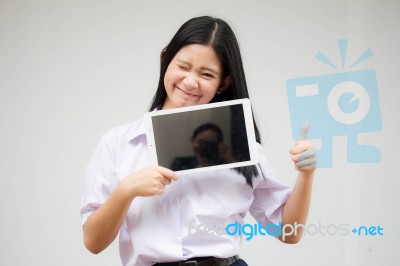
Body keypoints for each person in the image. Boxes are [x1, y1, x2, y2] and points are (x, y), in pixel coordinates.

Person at [80, 16, 317, 266]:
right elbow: (93, 242)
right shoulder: (118, 143)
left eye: (206, 74)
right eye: (183, 67)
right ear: (165, 60)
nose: (191, 81)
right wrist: (126, 191)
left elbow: (288, 232)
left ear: (223, 82)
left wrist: (306, 174)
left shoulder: (242, 147)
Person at [170, 123, 235, 171]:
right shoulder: (181, 163)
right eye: (200, 142)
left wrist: (231, 160)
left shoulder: (225, 163)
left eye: (210, 143)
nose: (204, 146)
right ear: (192, 141)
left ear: (219, 145)